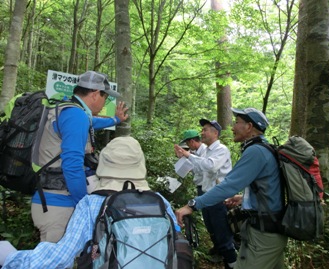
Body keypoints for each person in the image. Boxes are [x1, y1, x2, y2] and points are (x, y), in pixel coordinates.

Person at [1, 136, 180, 269]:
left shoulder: (92, 204)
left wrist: (11, 257)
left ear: (104, 162)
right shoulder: (160, 202)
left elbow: (61, 257)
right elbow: (176, 243)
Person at [175, 108, 288, 269]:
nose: (233, 127)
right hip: (269, 227)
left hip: (264, 231)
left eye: (237, 123)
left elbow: (229, 185)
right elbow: (267, 186)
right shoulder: (262, 148)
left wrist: (192, 205)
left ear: (249, 127)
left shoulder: (256, 151)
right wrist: (244, 198)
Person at [31, 70, 129, 243]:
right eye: (105, 97)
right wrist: (84, 205)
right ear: (95, 94)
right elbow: (72, 165)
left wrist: (115, 120)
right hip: (59, 205)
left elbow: (93, 122)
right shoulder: (76, 115)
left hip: (48, 199)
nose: (105, 102)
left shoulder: (68, 109)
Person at [174, 119, 237, 269]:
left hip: (218, 197)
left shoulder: (221, 149)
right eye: (202, 130)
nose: (202, 132)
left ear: (215, 133)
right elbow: (200, 168)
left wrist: (188, 156)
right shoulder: (208, 151)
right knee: (212, 227)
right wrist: (185, 157)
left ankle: (233, 263)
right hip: (208, 196)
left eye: (206, 130)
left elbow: (210, 166)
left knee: (222, 232)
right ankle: (224, 257)